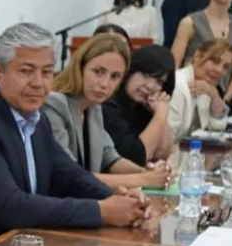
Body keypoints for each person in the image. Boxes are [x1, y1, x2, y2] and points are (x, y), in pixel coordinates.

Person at [0, 23, 149, 246]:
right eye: (26, 71)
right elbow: (12, 207)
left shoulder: (34, 115)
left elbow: (68, 174)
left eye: (46, 72)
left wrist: (115, 197)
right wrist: (102, 210)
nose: (38, 83)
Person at [43, 33, 171, 191]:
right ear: (80, 67)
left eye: (115, 76)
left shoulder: (94, 107)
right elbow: (72, 176)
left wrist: (150, 173)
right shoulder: (54, 105)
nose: (105, 84)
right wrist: (144, 179)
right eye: (98, 72)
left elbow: (110, 158)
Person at [101, 44, 177, 166]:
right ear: (130, 71)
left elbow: (162, 154)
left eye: (159, 81)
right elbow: (136, 158)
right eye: (145, 75)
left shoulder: (144, 106)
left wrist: (160, 112)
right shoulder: (108, 105)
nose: (150, 86)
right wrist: (160, 114)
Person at [168, 39, 232, 138]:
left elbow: (217, 127)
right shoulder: (178, 84)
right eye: (215, 61)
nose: (219, 70)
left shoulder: (206, 85)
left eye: (226, 67)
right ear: (198, 56)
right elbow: (169, 136)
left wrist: (215, 96)